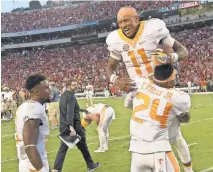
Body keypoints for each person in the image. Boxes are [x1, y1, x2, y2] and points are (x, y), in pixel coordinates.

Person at [106, 7, 193, 171]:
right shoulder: (115, 39)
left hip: (160, 87)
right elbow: (110, 68)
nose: (123, 25)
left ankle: (188, 169)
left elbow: (183, 51)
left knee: (175, 136)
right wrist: (115, 80)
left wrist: (169, 57)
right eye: (120, 22)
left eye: (126, 20)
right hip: (139, 90)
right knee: (145, 131)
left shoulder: (153, 29)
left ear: (136, 18)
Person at [124, 63, 192, 172]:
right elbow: (186, 118)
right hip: (158, 150)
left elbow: (127, 104)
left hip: (136, 152)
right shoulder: (177, 96)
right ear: (170, 81)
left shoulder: (140, 83)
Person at [52, 79, 100, 172]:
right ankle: (90, 165)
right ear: (69, 85)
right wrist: (71, 127)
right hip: (74, 126)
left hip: (64, 125)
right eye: (74, 85)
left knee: (64, 148)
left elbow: (68, 109)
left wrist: (82, 110)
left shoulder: (63, 95)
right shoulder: (71, 96)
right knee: (82, 146)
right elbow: (69, 112)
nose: (76, 86)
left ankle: (56, 169)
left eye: (76, 85)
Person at [15, 73, 51, 171]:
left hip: (29, 163)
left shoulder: (26, 106)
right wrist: (42, 169)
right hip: (33, 166)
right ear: (37, 92)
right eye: (46, 88)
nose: (50, 90)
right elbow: (30, 146)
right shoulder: (35, 108)